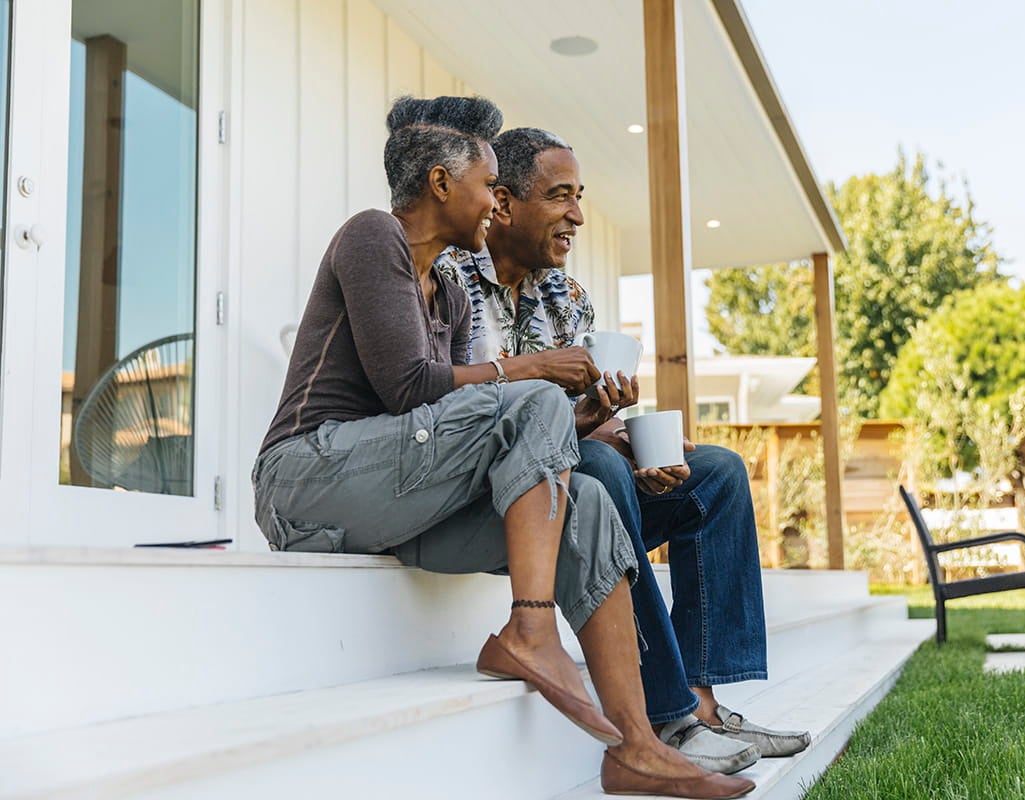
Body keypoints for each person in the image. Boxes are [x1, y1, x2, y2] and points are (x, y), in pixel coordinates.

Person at [253, 96, 752, 799]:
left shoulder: (450, 300)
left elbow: (474, 419)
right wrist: (541, 370)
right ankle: (530, 628)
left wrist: (583, 417)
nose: (496, 203)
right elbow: (409, 387)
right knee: (538, 397)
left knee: (585, 506)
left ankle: (638, 746)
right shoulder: (373, 237)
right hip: (306, 480)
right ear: (439, 184)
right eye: (490, 185)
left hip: (398, 503)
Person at [436, 127, 812, 776]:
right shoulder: (448, 284)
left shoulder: (567, 296)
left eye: (579, 197)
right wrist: (597, 440)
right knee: (603, 468)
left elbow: (583, 423)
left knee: (715, 473)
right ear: (502, 202)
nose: (578, 216)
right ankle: (664, 713)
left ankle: (702, 701)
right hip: (501, 499)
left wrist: (632, 437)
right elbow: (459, 420)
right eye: (560, 197)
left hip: (578, 473)